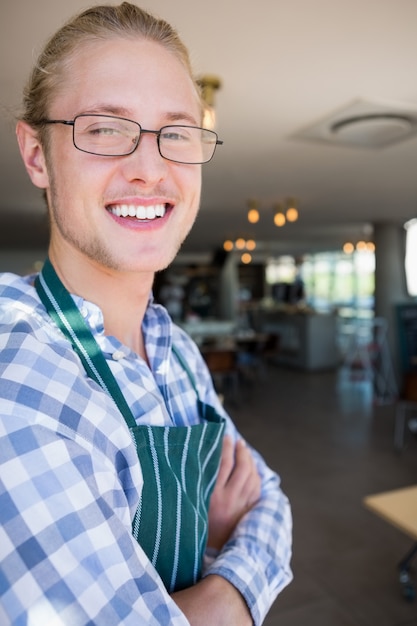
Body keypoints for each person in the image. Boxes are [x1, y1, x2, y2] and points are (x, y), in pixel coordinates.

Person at [0, 3, 292, 625]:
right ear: (36, 154)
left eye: (177, 134)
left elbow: (271, 503)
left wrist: (207, 577)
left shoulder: (177, 352)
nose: (150, 168)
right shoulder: (16, 376)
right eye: (105, 128)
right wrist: (230, 576)